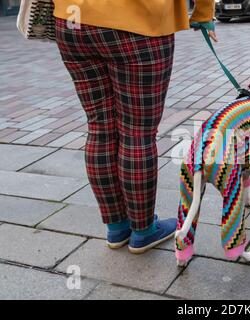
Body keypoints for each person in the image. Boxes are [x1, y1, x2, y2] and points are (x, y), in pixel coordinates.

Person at [52, 0, 217, 254]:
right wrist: (203, 12)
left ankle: (117, 227)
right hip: (138, 22)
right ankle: (143, 230)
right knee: (137, 132)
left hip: (73, 21)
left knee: (99, 127)